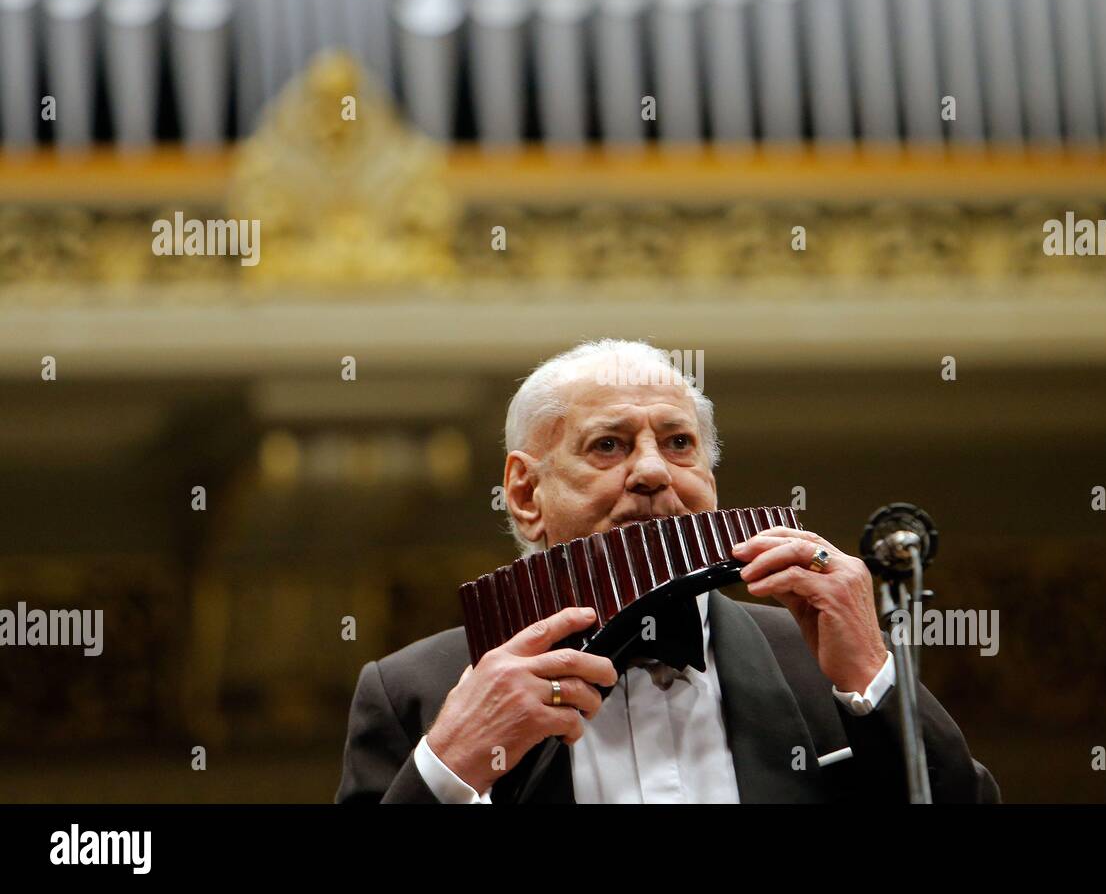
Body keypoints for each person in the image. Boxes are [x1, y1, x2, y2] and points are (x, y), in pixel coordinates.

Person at [337, 339, 998, 803]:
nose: (653, 472)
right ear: (524, 494)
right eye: (609, 445)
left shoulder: (818, 662)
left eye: (679, 444)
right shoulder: (412, 694)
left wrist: (874, 679)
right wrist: (448, 771)